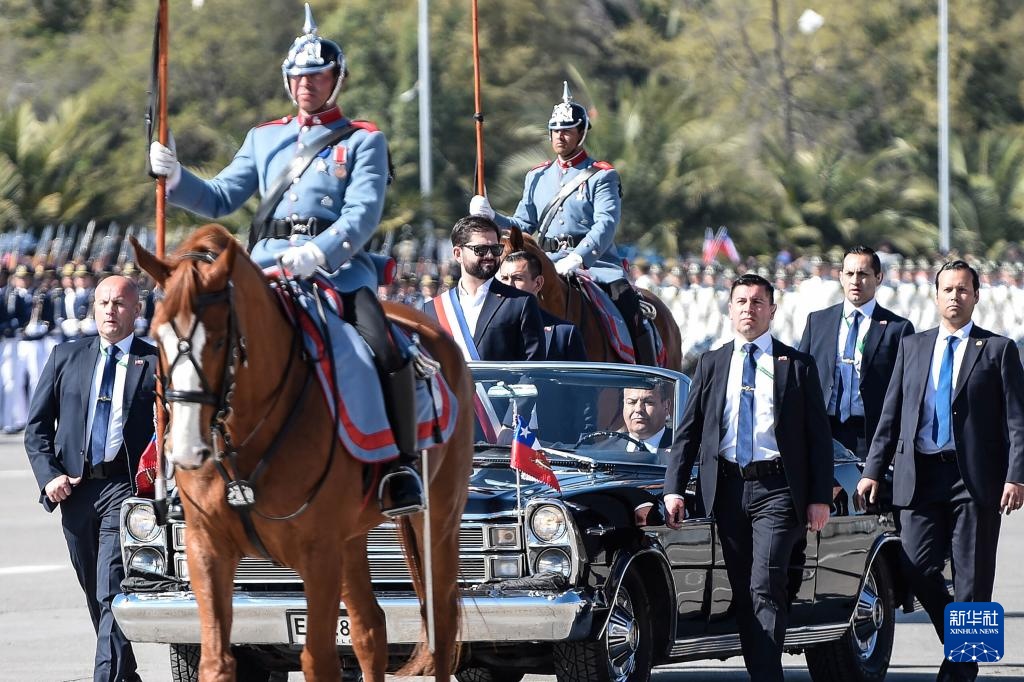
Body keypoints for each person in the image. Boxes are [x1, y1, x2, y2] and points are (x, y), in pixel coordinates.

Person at [148, 4, 422, 515]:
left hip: (336, 273)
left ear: (336, 79)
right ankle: (192, 456)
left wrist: (318, 252)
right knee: (200, 342)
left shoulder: (364, 140)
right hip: (266, 269)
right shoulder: (264, 137)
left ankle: (398, 468)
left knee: (385, 348)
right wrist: (176, 178)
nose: (306, 85)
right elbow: (222, 198)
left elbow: (362, 214)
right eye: (298, 77)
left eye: (317, 76)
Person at [857, 260, 1024, 682]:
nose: (955, 297)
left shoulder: (999, 349)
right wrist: (873, 470)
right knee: (915, 567)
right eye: (948, 290)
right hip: (921, 477)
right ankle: (962, 643)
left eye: (963, 290)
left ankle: (959, 671)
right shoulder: (913, 347)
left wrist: (1016, 476)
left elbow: (1018, 422)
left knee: (971, 580)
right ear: (936, 296)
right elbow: (891, 413)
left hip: (974, 481)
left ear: (976, 296)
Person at [664, 273, 833, 682]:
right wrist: (673, 489)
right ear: (730, 308)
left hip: (777, 489)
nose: (749, 309)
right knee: (744, 589)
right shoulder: (712, 362)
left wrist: (818, 497)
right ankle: (763, 666)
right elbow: (688, 431)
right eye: (741, 301)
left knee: (765, 582)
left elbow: (818, 437)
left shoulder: (796, 365)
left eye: (758, 302)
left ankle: (765, 676)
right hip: (727, 488)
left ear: (772, 311)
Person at [24, 275, 157, 682]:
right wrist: (50, 477)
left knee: (111, 588)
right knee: (93, 590)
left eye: (119, 303)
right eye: (102, 303)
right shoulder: (66, 356)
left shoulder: (154, 362)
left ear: (137, 310)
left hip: (124, 489)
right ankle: (125, 673)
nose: (109, 311)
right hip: (77, 490)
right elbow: (37, 428)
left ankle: (108, 677)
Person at [468, 82, 657, 365]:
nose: (560, 136)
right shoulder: (537, 176)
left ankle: (647, 376)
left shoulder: (601, 176)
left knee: (629, 307)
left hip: (594, 266)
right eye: (556, 130)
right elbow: (522, 224)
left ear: (581, 132)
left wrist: (579, 258)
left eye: (567, 130)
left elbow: (605, 224)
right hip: (543, 262)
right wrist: (491, 216)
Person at [799, 246, 914, 457]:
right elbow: (800, 378)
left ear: (878, 277)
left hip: (871, 435)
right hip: (825, 431)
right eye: (850, 274)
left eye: (863, 274)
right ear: (841, 277)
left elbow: (906, 390)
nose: (855, 281)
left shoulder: (897, 328)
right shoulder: (817, 322)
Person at [423, 216, 545, 362]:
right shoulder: (432, 309)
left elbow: (532, 367)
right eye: (480, 250)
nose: (489, 255)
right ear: (458, 254)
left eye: (495, 249)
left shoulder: (521, 302)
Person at [497, 250, 586, 361]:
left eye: (518, 278)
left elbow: (578, 378)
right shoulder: (485, 327)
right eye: (504, 278)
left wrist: (578, 255)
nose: (509, 285)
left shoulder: (565, 333)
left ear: (538, 283)